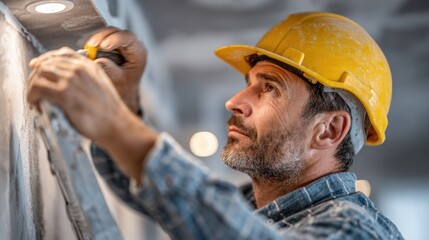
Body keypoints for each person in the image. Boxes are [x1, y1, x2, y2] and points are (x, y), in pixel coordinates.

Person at [27, 12, 403, 239]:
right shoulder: (255, 208)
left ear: (328, 131)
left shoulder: (356, 229)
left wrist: (114, 123)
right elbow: (147, 189)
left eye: (269, 89)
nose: (235, 102)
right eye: (248, 84)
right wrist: (124, 101)